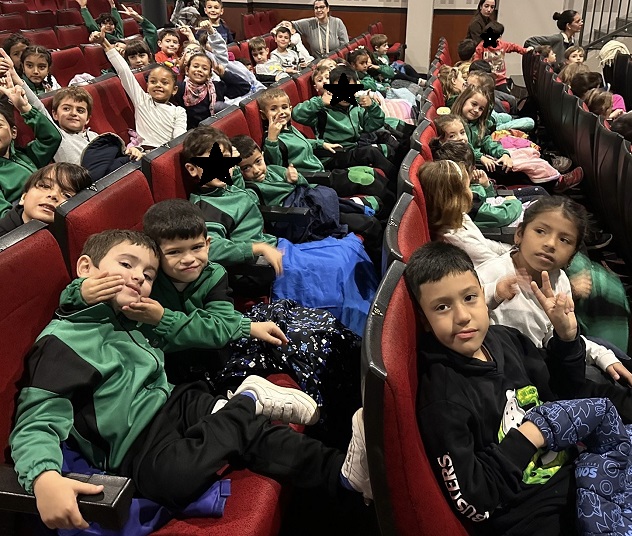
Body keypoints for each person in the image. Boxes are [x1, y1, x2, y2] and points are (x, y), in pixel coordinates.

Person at [9, 228, 372, 530]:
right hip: (135, 442)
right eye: (126, 265)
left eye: (148, 275)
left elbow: (191, 330)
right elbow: (37, 419)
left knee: (253, 435)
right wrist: (43, 477)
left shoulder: (134, 315)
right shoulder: (62, 343)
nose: (138, 277)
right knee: (180, 476)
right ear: (86, 268)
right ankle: (246, 403)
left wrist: (170, 319)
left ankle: (341, 472)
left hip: (176, 399)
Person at [407, 240, 584, 535]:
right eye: (442, 307)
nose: (462, 316)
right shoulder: (444, 401)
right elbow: (474, 500)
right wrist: (529, 436)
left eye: (469, 298)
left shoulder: (507, 339)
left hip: (577, 474)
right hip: (530, 515)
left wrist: (566, 340)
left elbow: (565, 394)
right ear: (424, 320)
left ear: (482, 293)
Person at [477, 196, 632, 395]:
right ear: (520, 234)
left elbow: (552, 332)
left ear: (572, 256)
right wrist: (493, 295)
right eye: (540, 231)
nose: (550, 244)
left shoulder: (559, 279)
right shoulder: (490, 275)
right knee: (608, 388)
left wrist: (601, 355)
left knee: (613, 356)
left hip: (544, 356)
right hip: (512, 376)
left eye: (564, 240)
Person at [258, 87, 388, 202]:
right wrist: (272, 139)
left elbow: (299, 144)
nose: (281, 112)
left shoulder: (289, 129)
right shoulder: (271, 139)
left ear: (289, 109)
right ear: (263, 115)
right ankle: (391, 210)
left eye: (284, 107)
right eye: (273, 109)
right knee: (365, 179)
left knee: (368, 171)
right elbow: (274, 169)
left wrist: (321, 144)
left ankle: (395, 197)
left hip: (321, 171)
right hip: (313, 181)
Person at [451, 85, 583, 191]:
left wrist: (504, 154)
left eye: (481, 108)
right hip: (477, 164)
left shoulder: (477, 124)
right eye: (473, 104)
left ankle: (554, 173)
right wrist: (481, 157)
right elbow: (463, 148)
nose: (476, 110)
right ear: (463, 100)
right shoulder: (455, 124)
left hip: (485, 157)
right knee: (522, 164)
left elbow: (487, 141)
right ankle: (555, 183)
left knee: (526, 152)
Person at [291, 66, 398, 181]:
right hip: (333, 155)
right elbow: (297, 114)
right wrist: (319, 102)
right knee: (371, 152)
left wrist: (372, 107)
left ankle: (404, 176)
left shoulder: (355, 106)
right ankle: (397, 185)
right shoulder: (323, 110)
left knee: (388, 147)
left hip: (353, 149)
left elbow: (374, 125)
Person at [90, 29, 187, 149]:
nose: (158, 85)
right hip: (145, 152)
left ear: (174, 89)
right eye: (153, 82)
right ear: (147, 86)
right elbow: (123, 71)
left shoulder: (179, 111)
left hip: (166, 153)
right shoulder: (141, 100)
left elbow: (179, 139)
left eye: (164, 82)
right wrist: (104, 42)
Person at [429, 137, 524, 229]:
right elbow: (503, 216)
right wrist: (514, 202)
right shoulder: (466, 201)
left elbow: (487, 201)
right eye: (473, 167)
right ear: (466, 171)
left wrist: (485, 185)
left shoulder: (451, 191)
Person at [0, 77, 61, 217]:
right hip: (27, 219)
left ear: (13, 132)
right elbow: (4, 217)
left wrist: (24, 108)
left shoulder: (26, 155)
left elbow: (51, 138)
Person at [0, 163, 92, 237]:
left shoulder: (76, 236)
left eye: (67, 195)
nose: (53, 195)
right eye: (45, 186)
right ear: (23, 197)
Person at [172, 52, 250, 129]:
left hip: (216, 129)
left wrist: (224, 74)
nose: (199, 70)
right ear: (187, 70)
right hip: (194, 133)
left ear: (209, 75)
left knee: (219, 106)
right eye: (195, 66)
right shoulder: (179, 88)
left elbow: (244, 87)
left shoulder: (217, 87)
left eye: (204, 68)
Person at [474, 21, 533, 93]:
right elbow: (476, 63)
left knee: (507, 97)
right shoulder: (481, 47)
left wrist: (525, 50)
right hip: (486, 81)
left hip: (500, 81)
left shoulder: (502, 45)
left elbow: (513, 46)